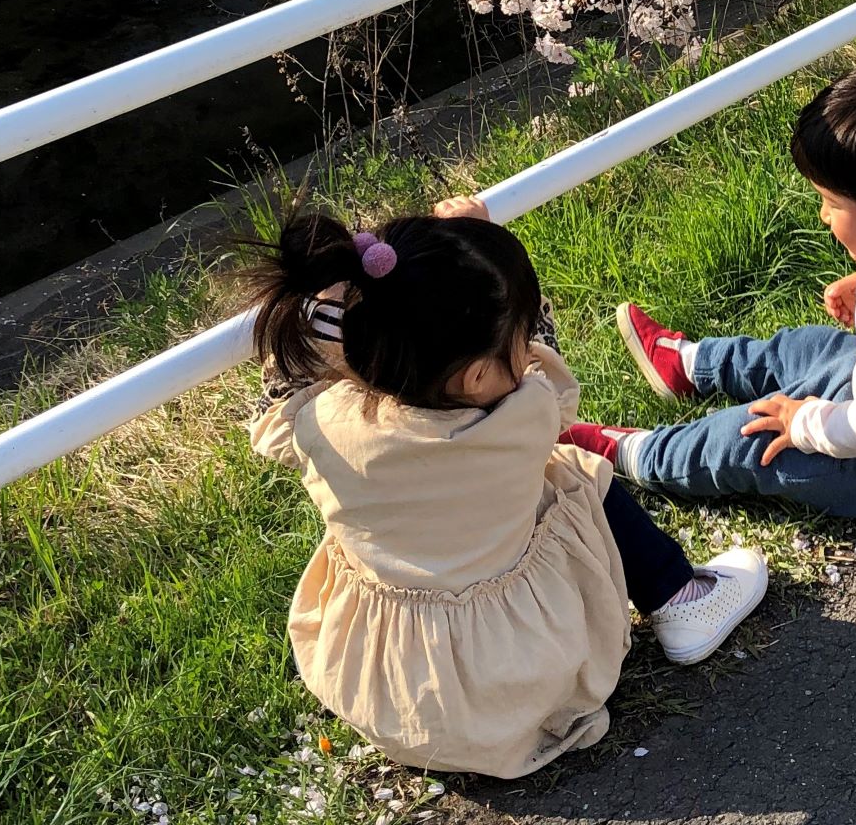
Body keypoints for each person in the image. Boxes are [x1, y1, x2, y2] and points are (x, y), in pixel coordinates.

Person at [243, 201, 768, 780]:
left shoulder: (319, 425)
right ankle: (679, 599)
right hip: (517, 683)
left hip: (394, 697)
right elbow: (550, 378)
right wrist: (486, 243)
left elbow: (292, 384)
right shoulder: (519, 419)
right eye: (514, 340)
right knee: (573, 473)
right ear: (475, 375)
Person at [562, 60, 856, 522]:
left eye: (833, 203)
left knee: (754, 439)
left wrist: (801, 422)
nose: (823, 215)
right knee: (805, 349)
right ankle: (690, 366)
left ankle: (640, 455)